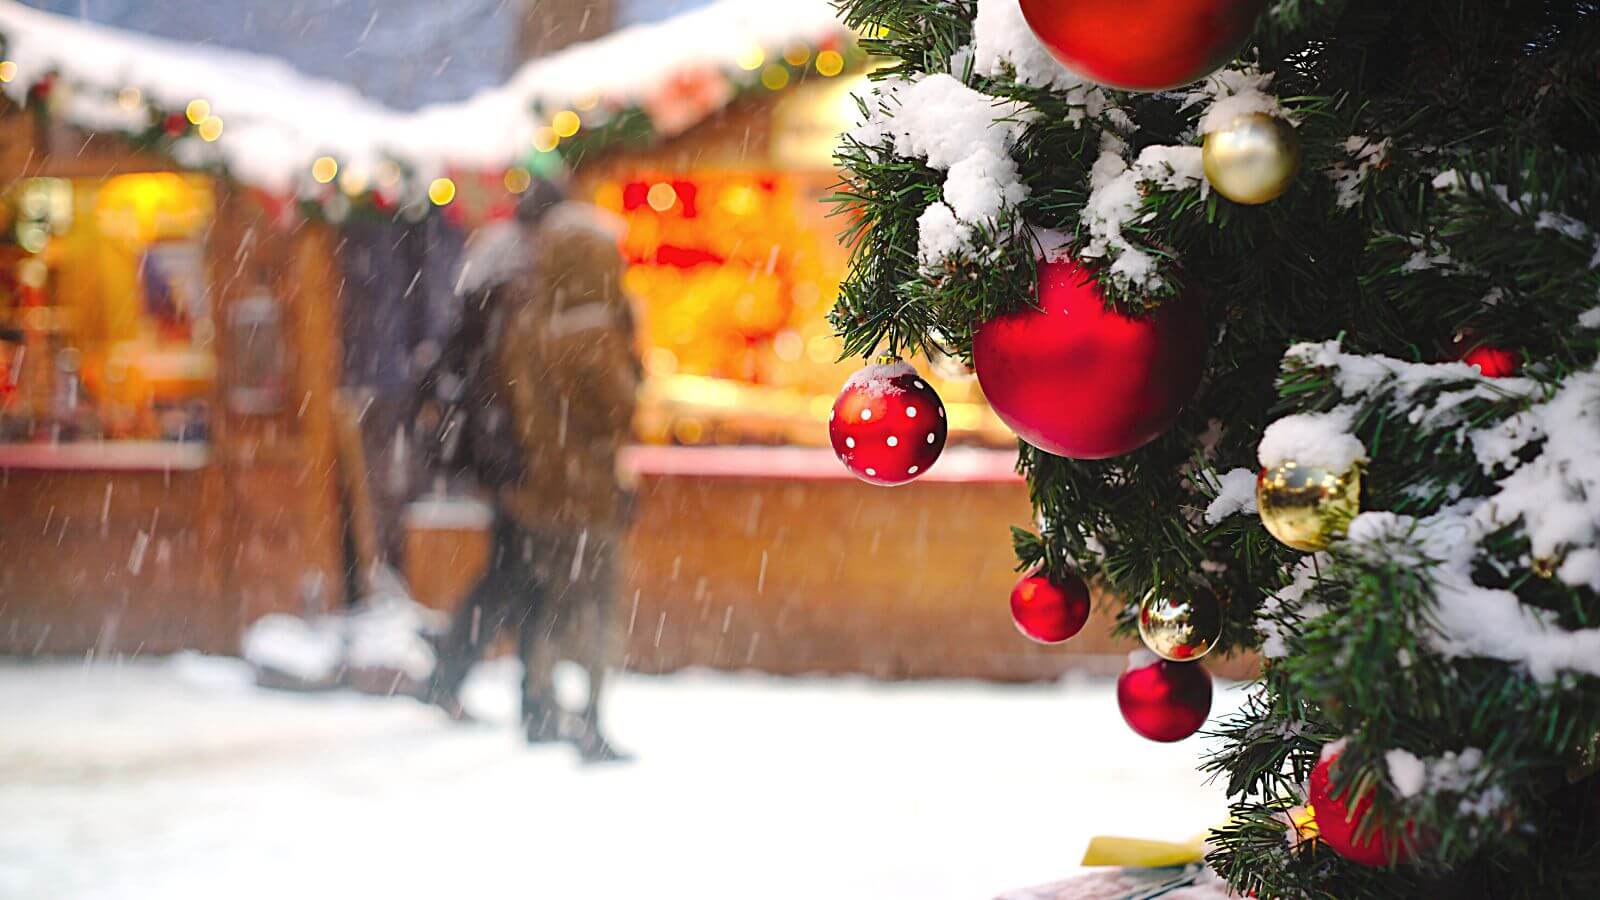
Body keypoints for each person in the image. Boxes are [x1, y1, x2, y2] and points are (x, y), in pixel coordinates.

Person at [417, 176, 639, 762]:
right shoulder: (554, 306)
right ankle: (535, 701)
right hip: (551, 478)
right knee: (555, 593)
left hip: (521, 473)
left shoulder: (508, 288)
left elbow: (488, 385)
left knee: (525, 585)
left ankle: (522, 697)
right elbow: (614, 407)